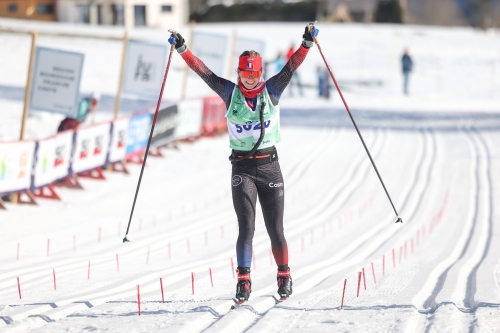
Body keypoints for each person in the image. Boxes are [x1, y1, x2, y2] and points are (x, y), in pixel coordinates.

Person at [168, 24, 319, 302]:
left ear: (260, 73)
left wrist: (306, 44)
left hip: (269, 166)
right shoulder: (229, 92)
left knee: (276, 229)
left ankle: (284, 274)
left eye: (254, 73)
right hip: (242, 169)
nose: (249, 79)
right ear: (238, 73)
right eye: (245, 73)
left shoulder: (272, 90)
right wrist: (182, 49)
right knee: (246, 228)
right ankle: (244, 281)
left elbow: (290, 68)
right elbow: (203, 72)